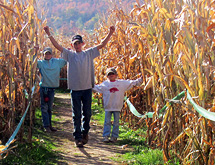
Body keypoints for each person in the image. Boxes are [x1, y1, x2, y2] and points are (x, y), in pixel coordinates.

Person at [43, 25, 115, 147]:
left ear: (83, 44)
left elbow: (102, 45)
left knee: (87, 114)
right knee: (76, 114)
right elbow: (57, 46)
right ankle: (77, 138)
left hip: (87, 88)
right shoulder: (70, 55)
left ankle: (85, 132)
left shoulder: (89, 53)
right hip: (75, 90)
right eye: (75, 44)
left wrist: (110, 33)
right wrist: (48, 33)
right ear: (72, 45)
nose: (77, 46)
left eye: (79, 43)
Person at [93, 68, 143, 143]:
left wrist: (141, 79)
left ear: (116, 75)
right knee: (107, 122)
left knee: (116, 122)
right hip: (108, 107)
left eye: (112, 74)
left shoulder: (122, 83)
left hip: (117, 106)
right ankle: (106, 136)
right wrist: (87, 84)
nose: (111, 75)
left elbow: (132, 83)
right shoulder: (105, 84)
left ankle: (114, 137)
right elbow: (95, 88)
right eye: (109, 74)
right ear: (107, 76)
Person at [37, 47, 67, 132]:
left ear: (52, 54)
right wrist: (34, 51)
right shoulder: (41, 63)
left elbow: (66, 60)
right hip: (44, 89)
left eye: (49, 53)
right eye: (46, 53)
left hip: (52, 89)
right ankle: (46, 126)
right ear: (43, 54)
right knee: (44, 108)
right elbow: (31, 61)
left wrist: (66, 52)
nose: (47, 55)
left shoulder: (57, 62)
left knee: (49, 108)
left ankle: (49, 125)